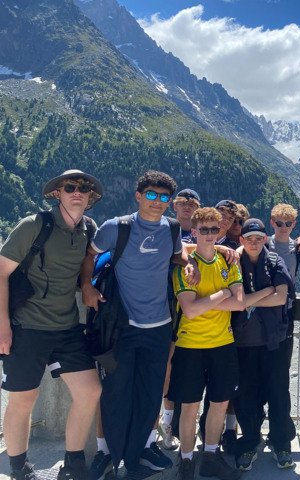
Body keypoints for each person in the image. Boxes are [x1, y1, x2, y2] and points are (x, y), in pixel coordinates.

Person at [82, 170, 192, 475]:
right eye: (152, 195)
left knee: (149, 391)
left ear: (169, 202)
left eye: (163, 197)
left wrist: (191, 262)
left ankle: (141, 449)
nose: (157, 202)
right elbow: (89, 257)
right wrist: (87, 287)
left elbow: (178, 256)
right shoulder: (117, 227)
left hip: (159, 326)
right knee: (115, 391)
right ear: (139, 196)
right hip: (122, 327)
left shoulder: (171, 229)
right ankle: (107, 453)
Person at [0, 170, 104, 480]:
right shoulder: (35, 225)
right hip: (26, 327)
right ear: (57, 193)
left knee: (89, 392)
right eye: (69, 187)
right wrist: (3, 325)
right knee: (23, 398)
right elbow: (1, 272)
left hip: (67, 327)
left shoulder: (89, 228)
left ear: (90, 197)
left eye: (83, 188)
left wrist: (86, 285)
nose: (77, 192)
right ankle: (20, 469)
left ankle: (72, 464)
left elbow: (89, 261)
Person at [170, 207, 246, 480]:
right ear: (194, 231)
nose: (210, 235)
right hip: (190, 345)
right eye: (204, 230)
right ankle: (187, 460)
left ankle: (210, 456)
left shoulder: (228, 261)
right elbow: (189, 310)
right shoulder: (185, 265)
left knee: (219, 403)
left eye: (215, 230)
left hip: (222, 344)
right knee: (190, 407)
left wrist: (208, 300)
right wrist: (223, 292)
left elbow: (239, 303)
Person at [232, 219, 297, 471]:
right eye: (250, 238)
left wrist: (247, 301)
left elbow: (281, 297)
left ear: (265, 239)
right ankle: (250, 442)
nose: (255, 242)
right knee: (247, 395)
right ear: (242, 240)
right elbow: (239, 301)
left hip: (274, 341)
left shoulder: (274, 261)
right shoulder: (234, 261)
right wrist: (261, 295)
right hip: (244, 342)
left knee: (279, 394)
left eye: (259, 237)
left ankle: (281, 444)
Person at [157, 188, 201, 451]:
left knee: (188, 368)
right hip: (168, 304)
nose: (186, 207)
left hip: (193, 307)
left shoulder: (202, 230)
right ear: (174, 206)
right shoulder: (166, 228)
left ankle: (182, 424)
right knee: (168, 366)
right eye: (182, 202)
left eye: (191, 203)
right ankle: (168, 423)